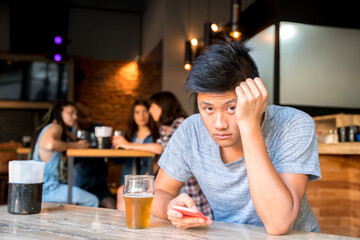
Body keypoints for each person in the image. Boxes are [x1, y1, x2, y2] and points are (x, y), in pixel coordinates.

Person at [151, 39, 321, 235]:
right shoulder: (191, 130)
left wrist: (249, 124)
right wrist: (170, 207)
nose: (219, 124)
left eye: (231, 108)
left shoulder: (294, 124)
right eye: (208, 109)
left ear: (255, 95)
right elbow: (160, 192)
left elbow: (278, 223)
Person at [113, 92, 211, 217]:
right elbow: (162, 157)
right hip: (171, 183)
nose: (149, 111)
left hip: (183, 185)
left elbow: (160, 148)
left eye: (152, 107)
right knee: (123, 190)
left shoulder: (181, 124)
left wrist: (127, 145)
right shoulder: (164, 128)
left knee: (125, 191)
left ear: (163, 106)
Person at [30, 100, 99, 207]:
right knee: (92, 200)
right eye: (71, 113)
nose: (75, 117)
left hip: (41, 188)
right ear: (59, 112)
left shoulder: (53, 128)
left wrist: (74, 129)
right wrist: (78, 145)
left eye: (76, 114)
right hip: (48, 189)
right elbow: (50, 145)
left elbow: (75, 138)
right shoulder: (55, 127)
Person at [72, 102, 116, 209]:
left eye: (90, 116)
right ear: (76, 118)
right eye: (84, 117)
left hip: (99, 184)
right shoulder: (71, 132)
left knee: (111, 205)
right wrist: (76, 129)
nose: (89, 120)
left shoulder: (99, 128)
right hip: (78, 184)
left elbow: (112, 153)